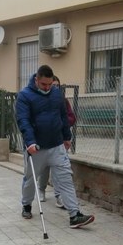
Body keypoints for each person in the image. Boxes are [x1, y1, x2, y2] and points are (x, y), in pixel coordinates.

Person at [16, 65, 94, 228]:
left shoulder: (56, 94)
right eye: (44, 84)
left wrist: (67, 137)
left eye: (50, 84)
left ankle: (74, 215)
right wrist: (29, 142)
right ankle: (26, 205)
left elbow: (63, 117)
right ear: (36, 79)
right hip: (36, 147)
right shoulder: (24, 96)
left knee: (66, 178)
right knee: (31, 178)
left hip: (57, 145)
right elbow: (23, 121)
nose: (47, 88)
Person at [37, 75, 76, 207]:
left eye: (57, 86)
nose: (54, 88)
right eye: (52, 86)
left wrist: (62, 125)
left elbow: (71, 117)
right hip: (44, 141)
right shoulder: (40, 100)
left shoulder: (62, 101)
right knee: (44, 168)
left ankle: (59, 196)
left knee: (59, 170)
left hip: (59, 141)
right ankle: (41, 190)